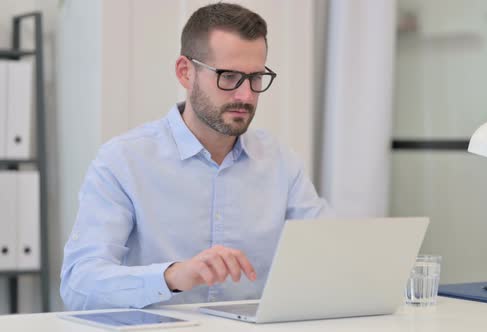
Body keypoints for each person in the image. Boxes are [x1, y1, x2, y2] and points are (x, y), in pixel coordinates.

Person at [60, 3, 330, 310]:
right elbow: (78, 285)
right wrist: (172, 276)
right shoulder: (123, 161)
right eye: (228, 77)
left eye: (256, 78)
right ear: (185, 72)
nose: (245, 96)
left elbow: (330, 255)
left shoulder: (282, 164)